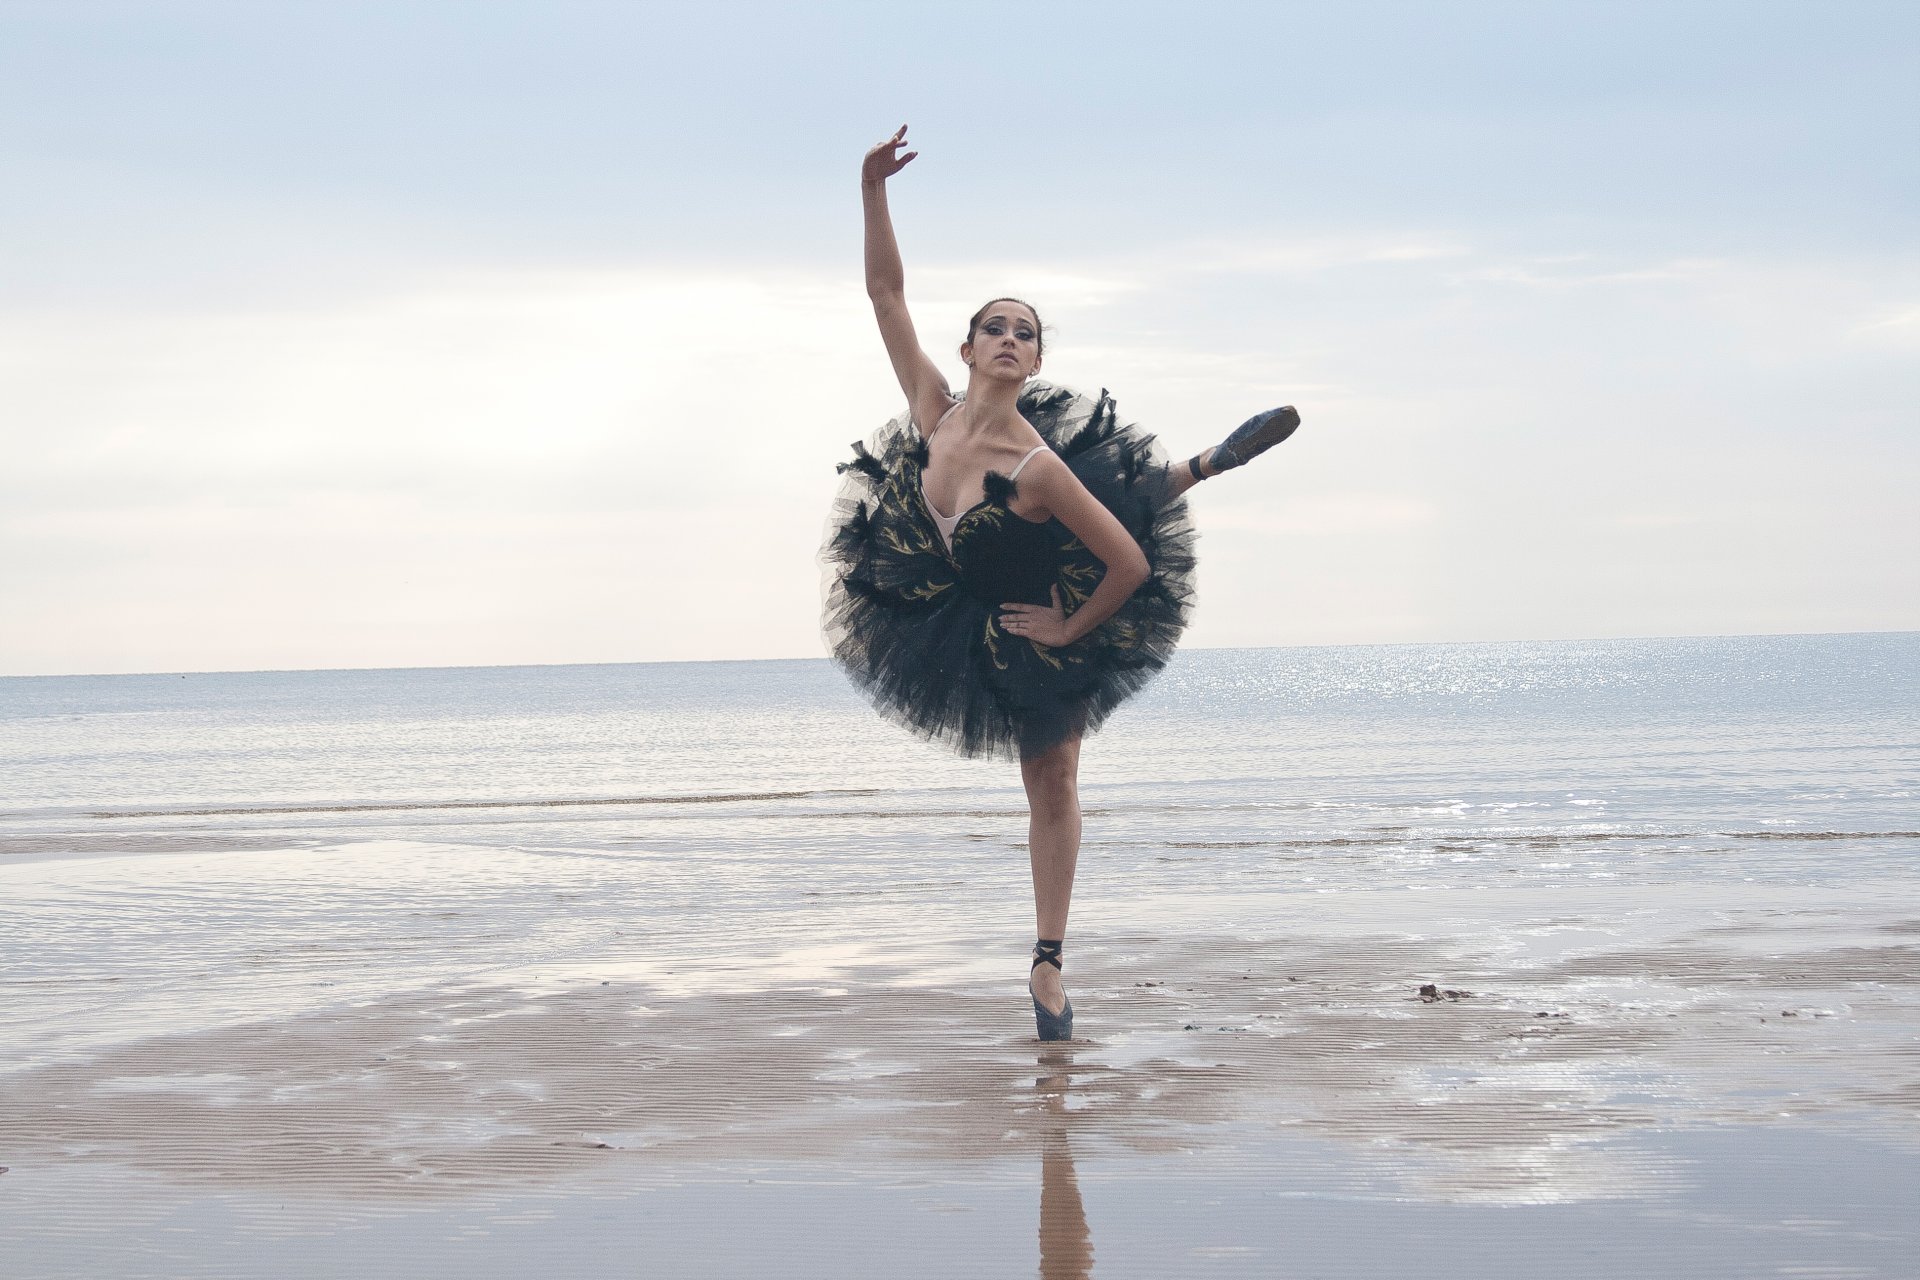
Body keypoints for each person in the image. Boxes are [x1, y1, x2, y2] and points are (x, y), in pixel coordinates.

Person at [823, 125, 1300, 1041]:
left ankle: (1046, 963)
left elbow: (1128, 562)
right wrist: (872, 187)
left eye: (1025, 333)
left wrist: (1070, 630)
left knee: (1052, 783)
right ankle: (1199, 462)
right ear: (968, 350)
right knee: (1113, 495)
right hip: (962, 587)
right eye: (994, 327)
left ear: (1037, 363)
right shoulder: (935, 413)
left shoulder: (1036, 465)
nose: (1009, 338)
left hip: (1046, 600)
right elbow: (885, 294)